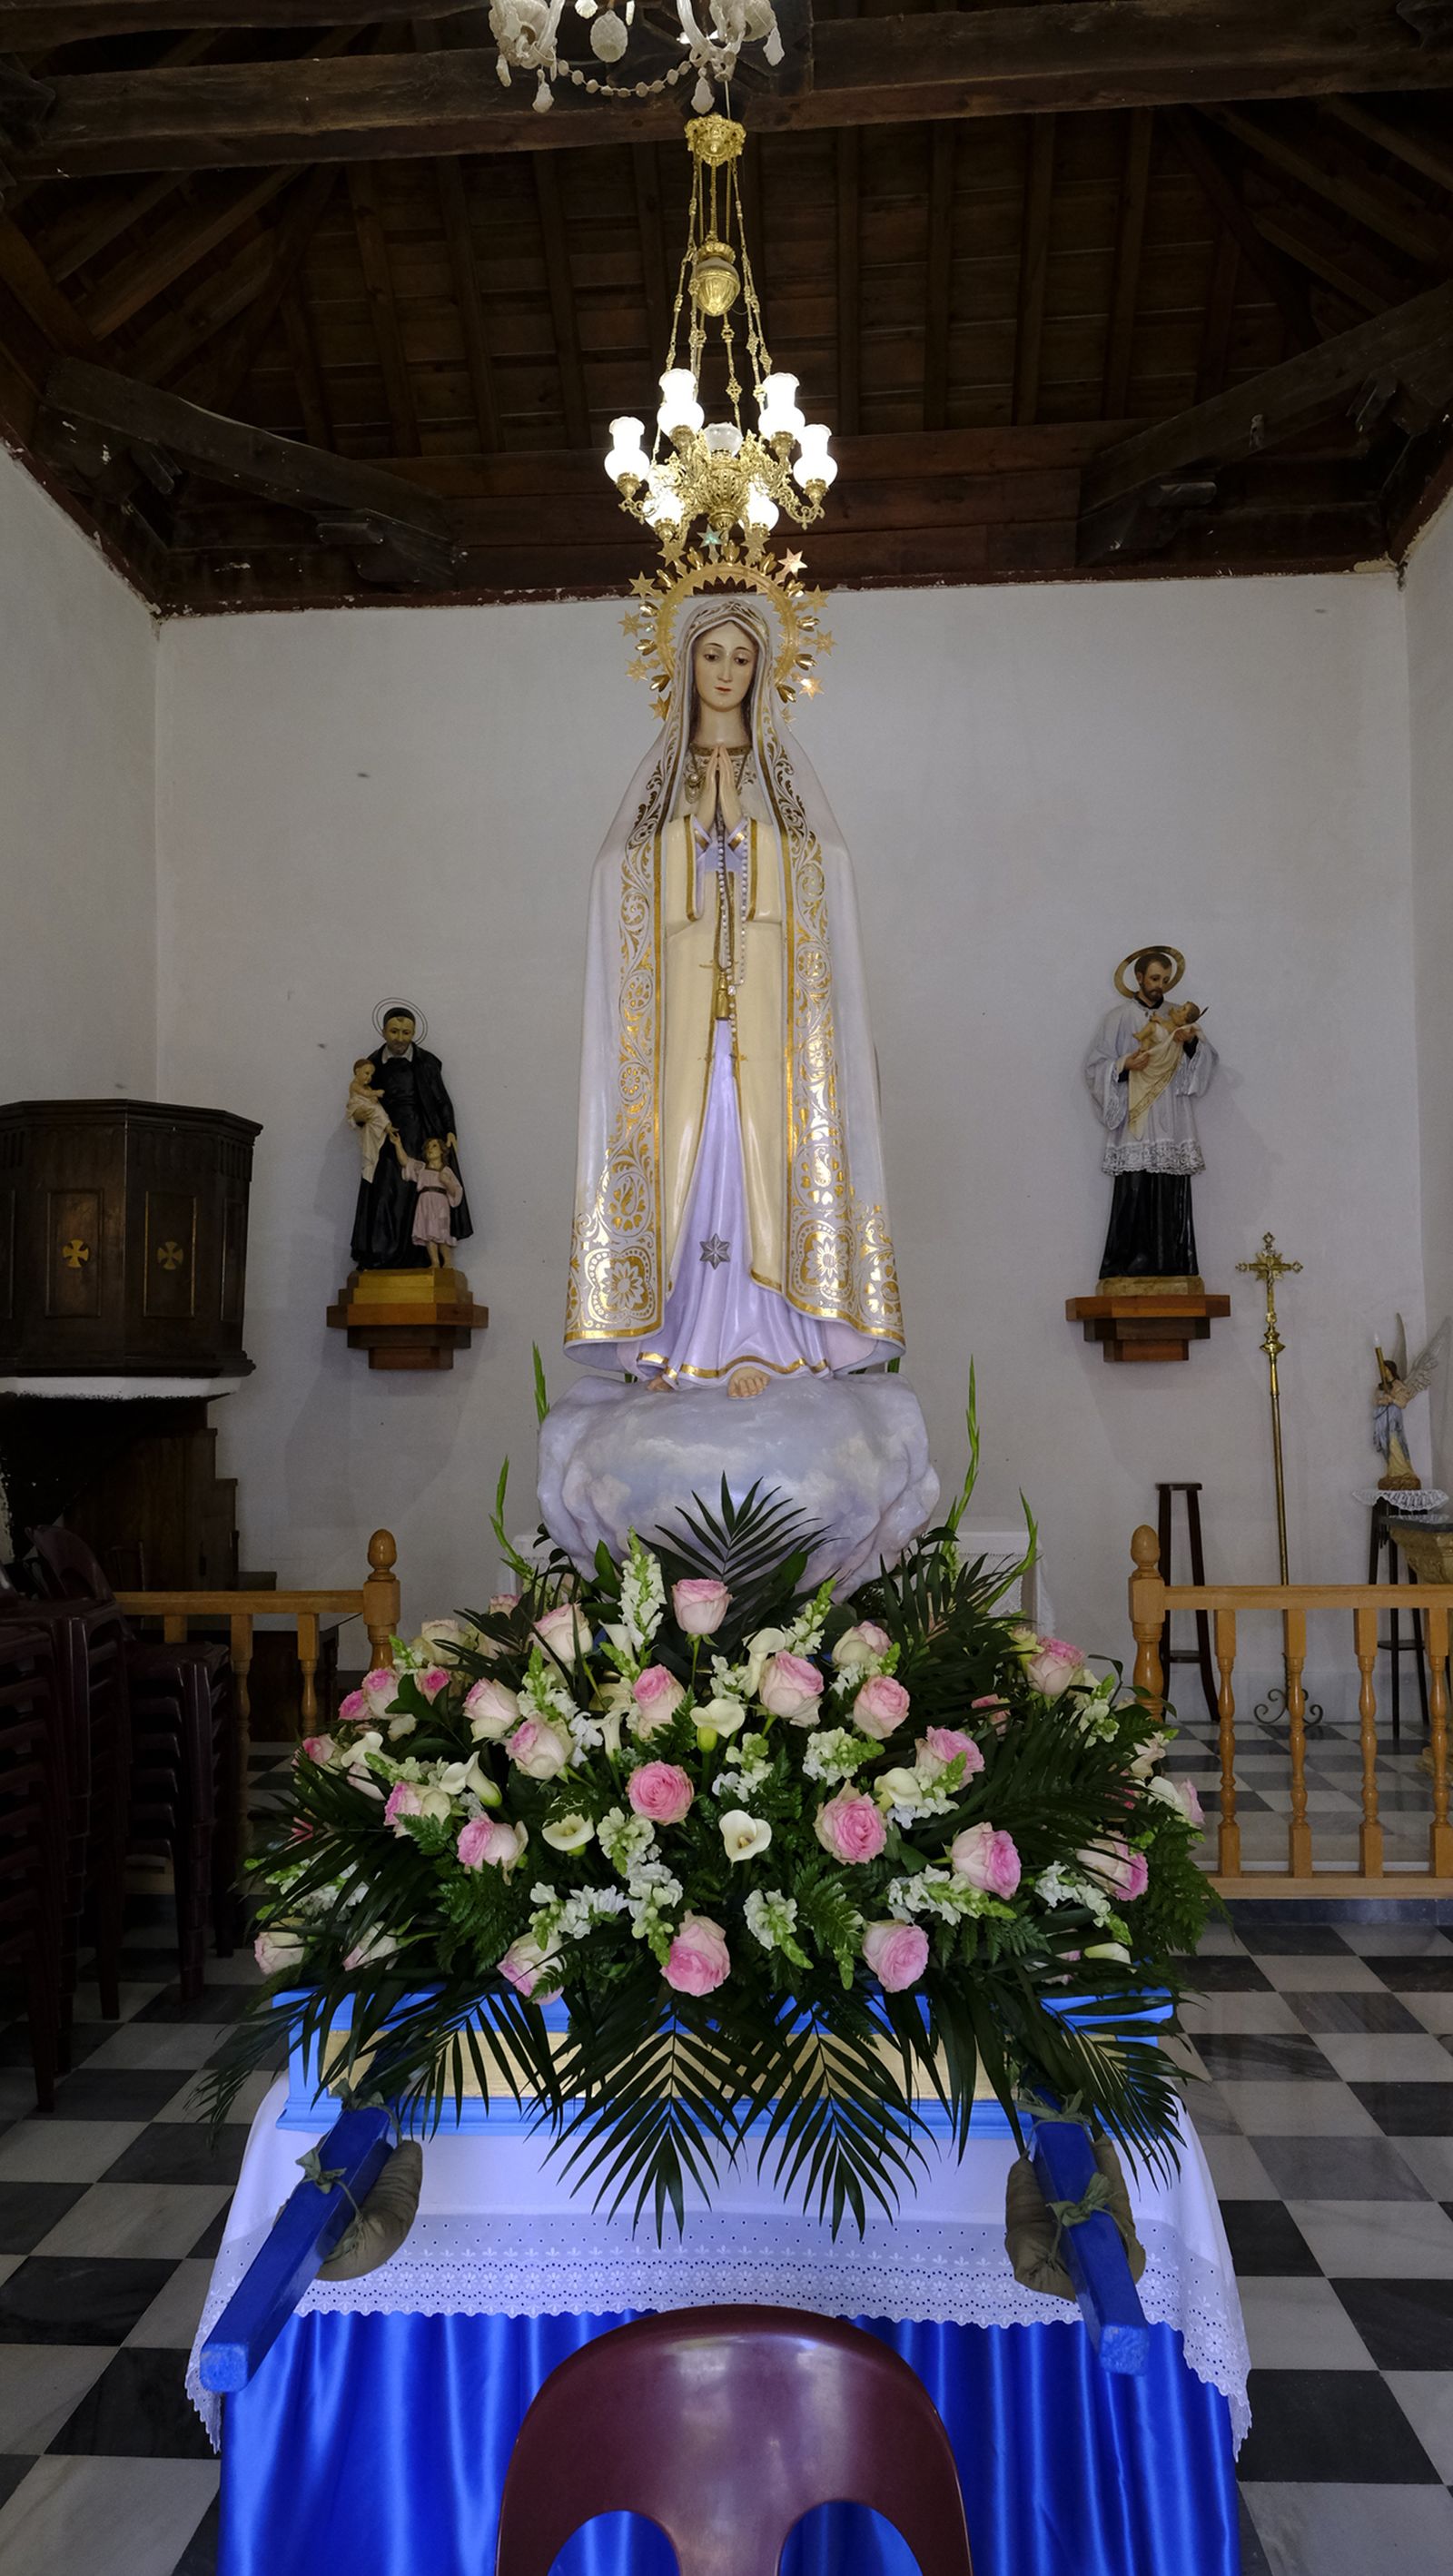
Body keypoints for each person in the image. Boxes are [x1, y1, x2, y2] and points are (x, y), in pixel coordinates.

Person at [565, 586, 903, 1396]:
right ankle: (672, 1343)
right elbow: (617, 877)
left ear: (764, 670)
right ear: (685, 666)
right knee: (688, 1152)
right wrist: (691, 831)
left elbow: (829, 877)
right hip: (686, 1029)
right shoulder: (661, 792)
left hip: (767, 1026)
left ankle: (764, 1338)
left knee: (761, 1158)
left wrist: (749, 836)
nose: (726, 671)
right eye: (711, 655)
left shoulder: (782, 793)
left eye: (742, 658)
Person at [1084, 947, 1217, 1283]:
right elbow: (1094, 1066)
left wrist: (1189, 1044)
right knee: (1135, 1189)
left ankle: (1173, 1266)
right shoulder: (1118, 1018)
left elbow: (1205, 1063)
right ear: (1139, 978)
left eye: (1166, 980)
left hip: (1171, 1116)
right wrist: (1123, 1064)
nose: (1161, 986)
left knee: (1170, 1189)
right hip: (1137, 1116)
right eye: (1155, 978)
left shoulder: (1180, 1016)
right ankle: (1127, 1269)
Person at [349, 1006, 471, 1271]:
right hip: (386, 1136)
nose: (400, 1038)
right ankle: (382, 1255)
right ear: (383, 1031)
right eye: (394, 1031)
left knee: (419, 1194)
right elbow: (359, 1101)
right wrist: (360, 1117)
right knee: (384, 1193)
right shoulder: (372, 1065)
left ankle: (420, 1257)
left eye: (406, 1032)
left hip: (420, 1134)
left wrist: (449, 1129)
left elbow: (441, 1100)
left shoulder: (426, 1063)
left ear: (414, 1033)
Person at [390, 1131, 463, 1270]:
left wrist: (447, 1182)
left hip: (440, 1203)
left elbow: (456, 1191)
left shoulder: (446, 1170)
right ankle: (434, 1262)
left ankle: (447, 1262)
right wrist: (398, 1144)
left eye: (434, 1146)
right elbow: (405, 1161)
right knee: (428, 1232)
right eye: (428, 1146)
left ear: (442, 1151)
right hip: (424, 1203)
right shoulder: (422, 1168)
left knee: (442, 1232)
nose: (430, 1149)